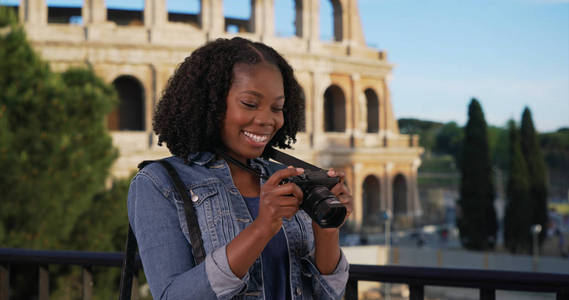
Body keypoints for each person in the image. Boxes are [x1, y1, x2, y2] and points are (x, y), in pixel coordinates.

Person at [127, 37, 353, 300]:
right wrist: (262, 228)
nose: (267, 120)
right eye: (249, 103)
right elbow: (172, 296)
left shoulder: (282, 178)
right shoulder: (157, 183)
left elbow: (327, 295)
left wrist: (327, 228)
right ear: (209, 103)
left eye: (277, 108)